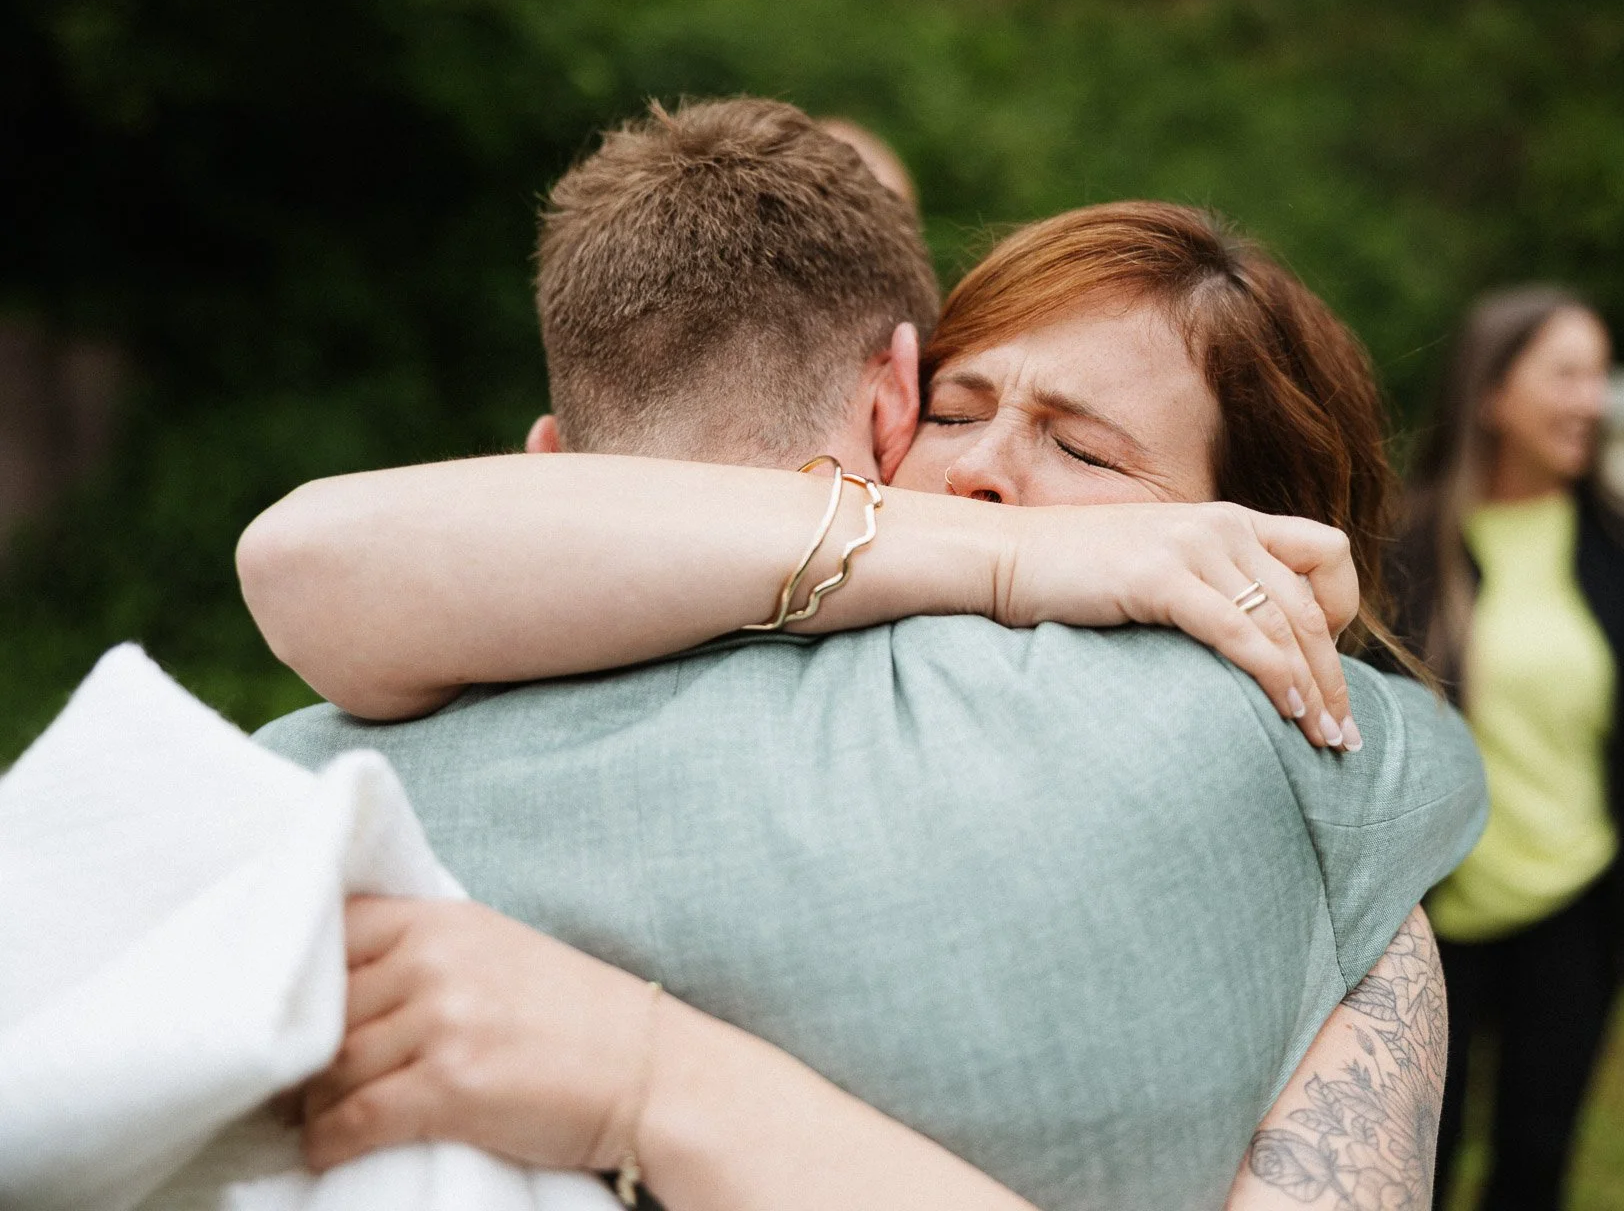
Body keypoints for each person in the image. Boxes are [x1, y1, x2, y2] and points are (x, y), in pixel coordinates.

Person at [242, 99, 1487, 1211]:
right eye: (955, 409)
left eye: (1090, 453)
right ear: (893, 413)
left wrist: (646, 1077)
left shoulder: (1313, 842)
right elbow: (307, 555)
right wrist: (1020, 558)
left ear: (1250, 540)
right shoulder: (606, 640)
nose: (983, 467)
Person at [1391, 285, 1624, 1210]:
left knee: (1535, 1164)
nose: (1593, 399)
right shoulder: (1399, 544)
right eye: (1566, 374)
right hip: (1428, 920)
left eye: (1601, 375)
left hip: (1577, 908)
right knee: (1412, 1171)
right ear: (1489, 395)